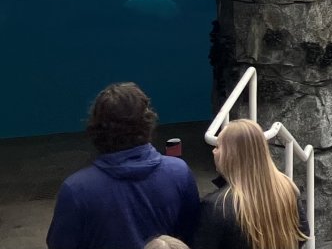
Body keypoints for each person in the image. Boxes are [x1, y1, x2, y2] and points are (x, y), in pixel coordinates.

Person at [47, 83, 200, 249]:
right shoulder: (179, 172)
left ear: (96, 128)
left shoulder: (76, 190)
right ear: (147, 122)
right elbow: (192, 236)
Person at [192, 119, 305, 249]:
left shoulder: (217, 206)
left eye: (218, 146)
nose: (213, 151)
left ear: (232, 155)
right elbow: (302, 233)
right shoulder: (287, 188)